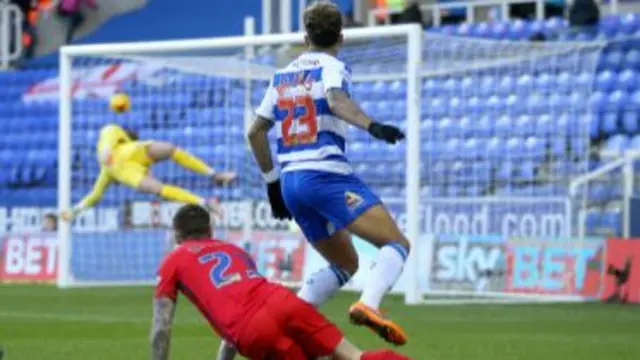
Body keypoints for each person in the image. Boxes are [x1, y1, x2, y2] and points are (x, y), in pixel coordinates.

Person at [247, 0, 410, 346]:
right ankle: (369, 304)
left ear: (305, 38)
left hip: (291, 183)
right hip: (324, 174)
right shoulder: (332, 67)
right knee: (396, 243)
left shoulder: (281, 77)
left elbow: (255, 132)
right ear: (341, 37)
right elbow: (336, 102)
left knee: (345, 263)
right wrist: (373, 126)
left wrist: (273, 184)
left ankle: (285, 326)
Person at [151, 204, 412, 360]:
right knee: (353, 356)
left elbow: (162, 327)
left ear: (177, 235)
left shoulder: (173, 261)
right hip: (283, 301)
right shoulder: (235, 251)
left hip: (252, 330)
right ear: (209, 231)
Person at [61, 124, 236, 221]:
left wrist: (105, 151)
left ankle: (214, 175)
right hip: (132, 174)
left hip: (138, 153)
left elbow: (109, 137)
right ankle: (206, 203)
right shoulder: (106, 170)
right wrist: (74, 211)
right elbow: (94, 195)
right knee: (159, 188)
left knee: (169, 149)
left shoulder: (124, 145)